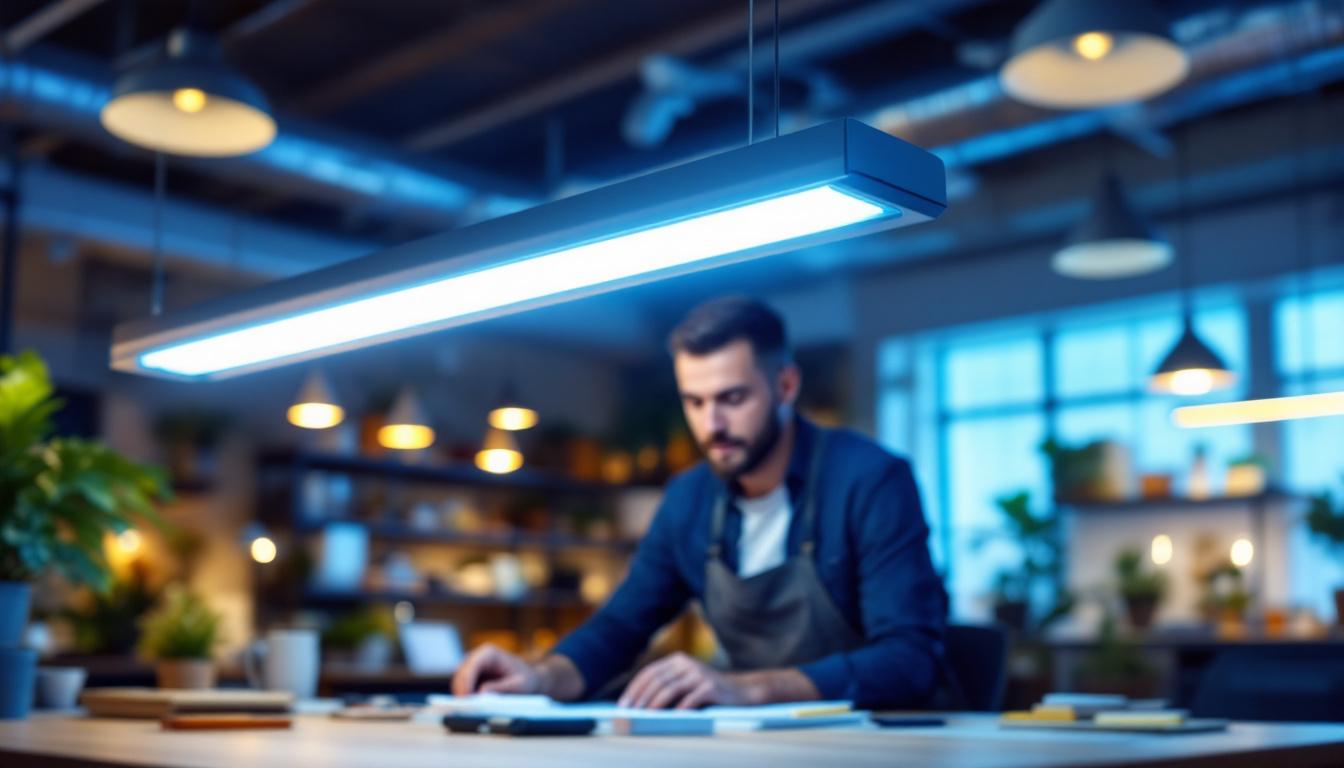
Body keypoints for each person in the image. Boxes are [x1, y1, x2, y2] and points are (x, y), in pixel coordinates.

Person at [452, 296, 947, 709]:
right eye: (695, 402)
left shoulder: (871, 480)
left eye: (732, 399)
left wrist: (748, 686)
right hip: (761, 747)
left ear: (786, 386)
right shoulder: (689, 498)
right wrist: (539, 679)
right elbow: (622, 626)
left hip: (883, 745)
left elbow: (909, 659)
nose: (712, 426)